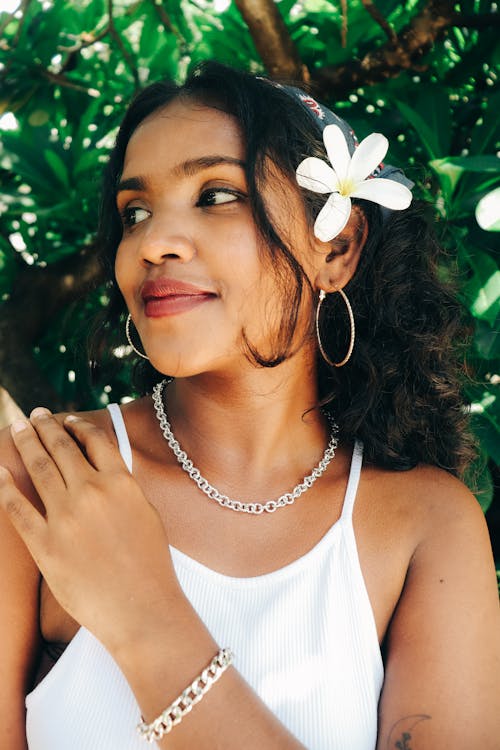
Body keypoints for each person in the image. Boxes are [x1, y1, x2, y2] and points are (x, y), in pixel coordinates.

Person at [0, 61, 498, 750]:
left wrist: (147, 618)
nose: (152, 243)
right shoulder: (43, 481)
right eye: (134, 212)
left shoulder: (426, 525)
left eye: (216, 194)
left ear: (339, 248)